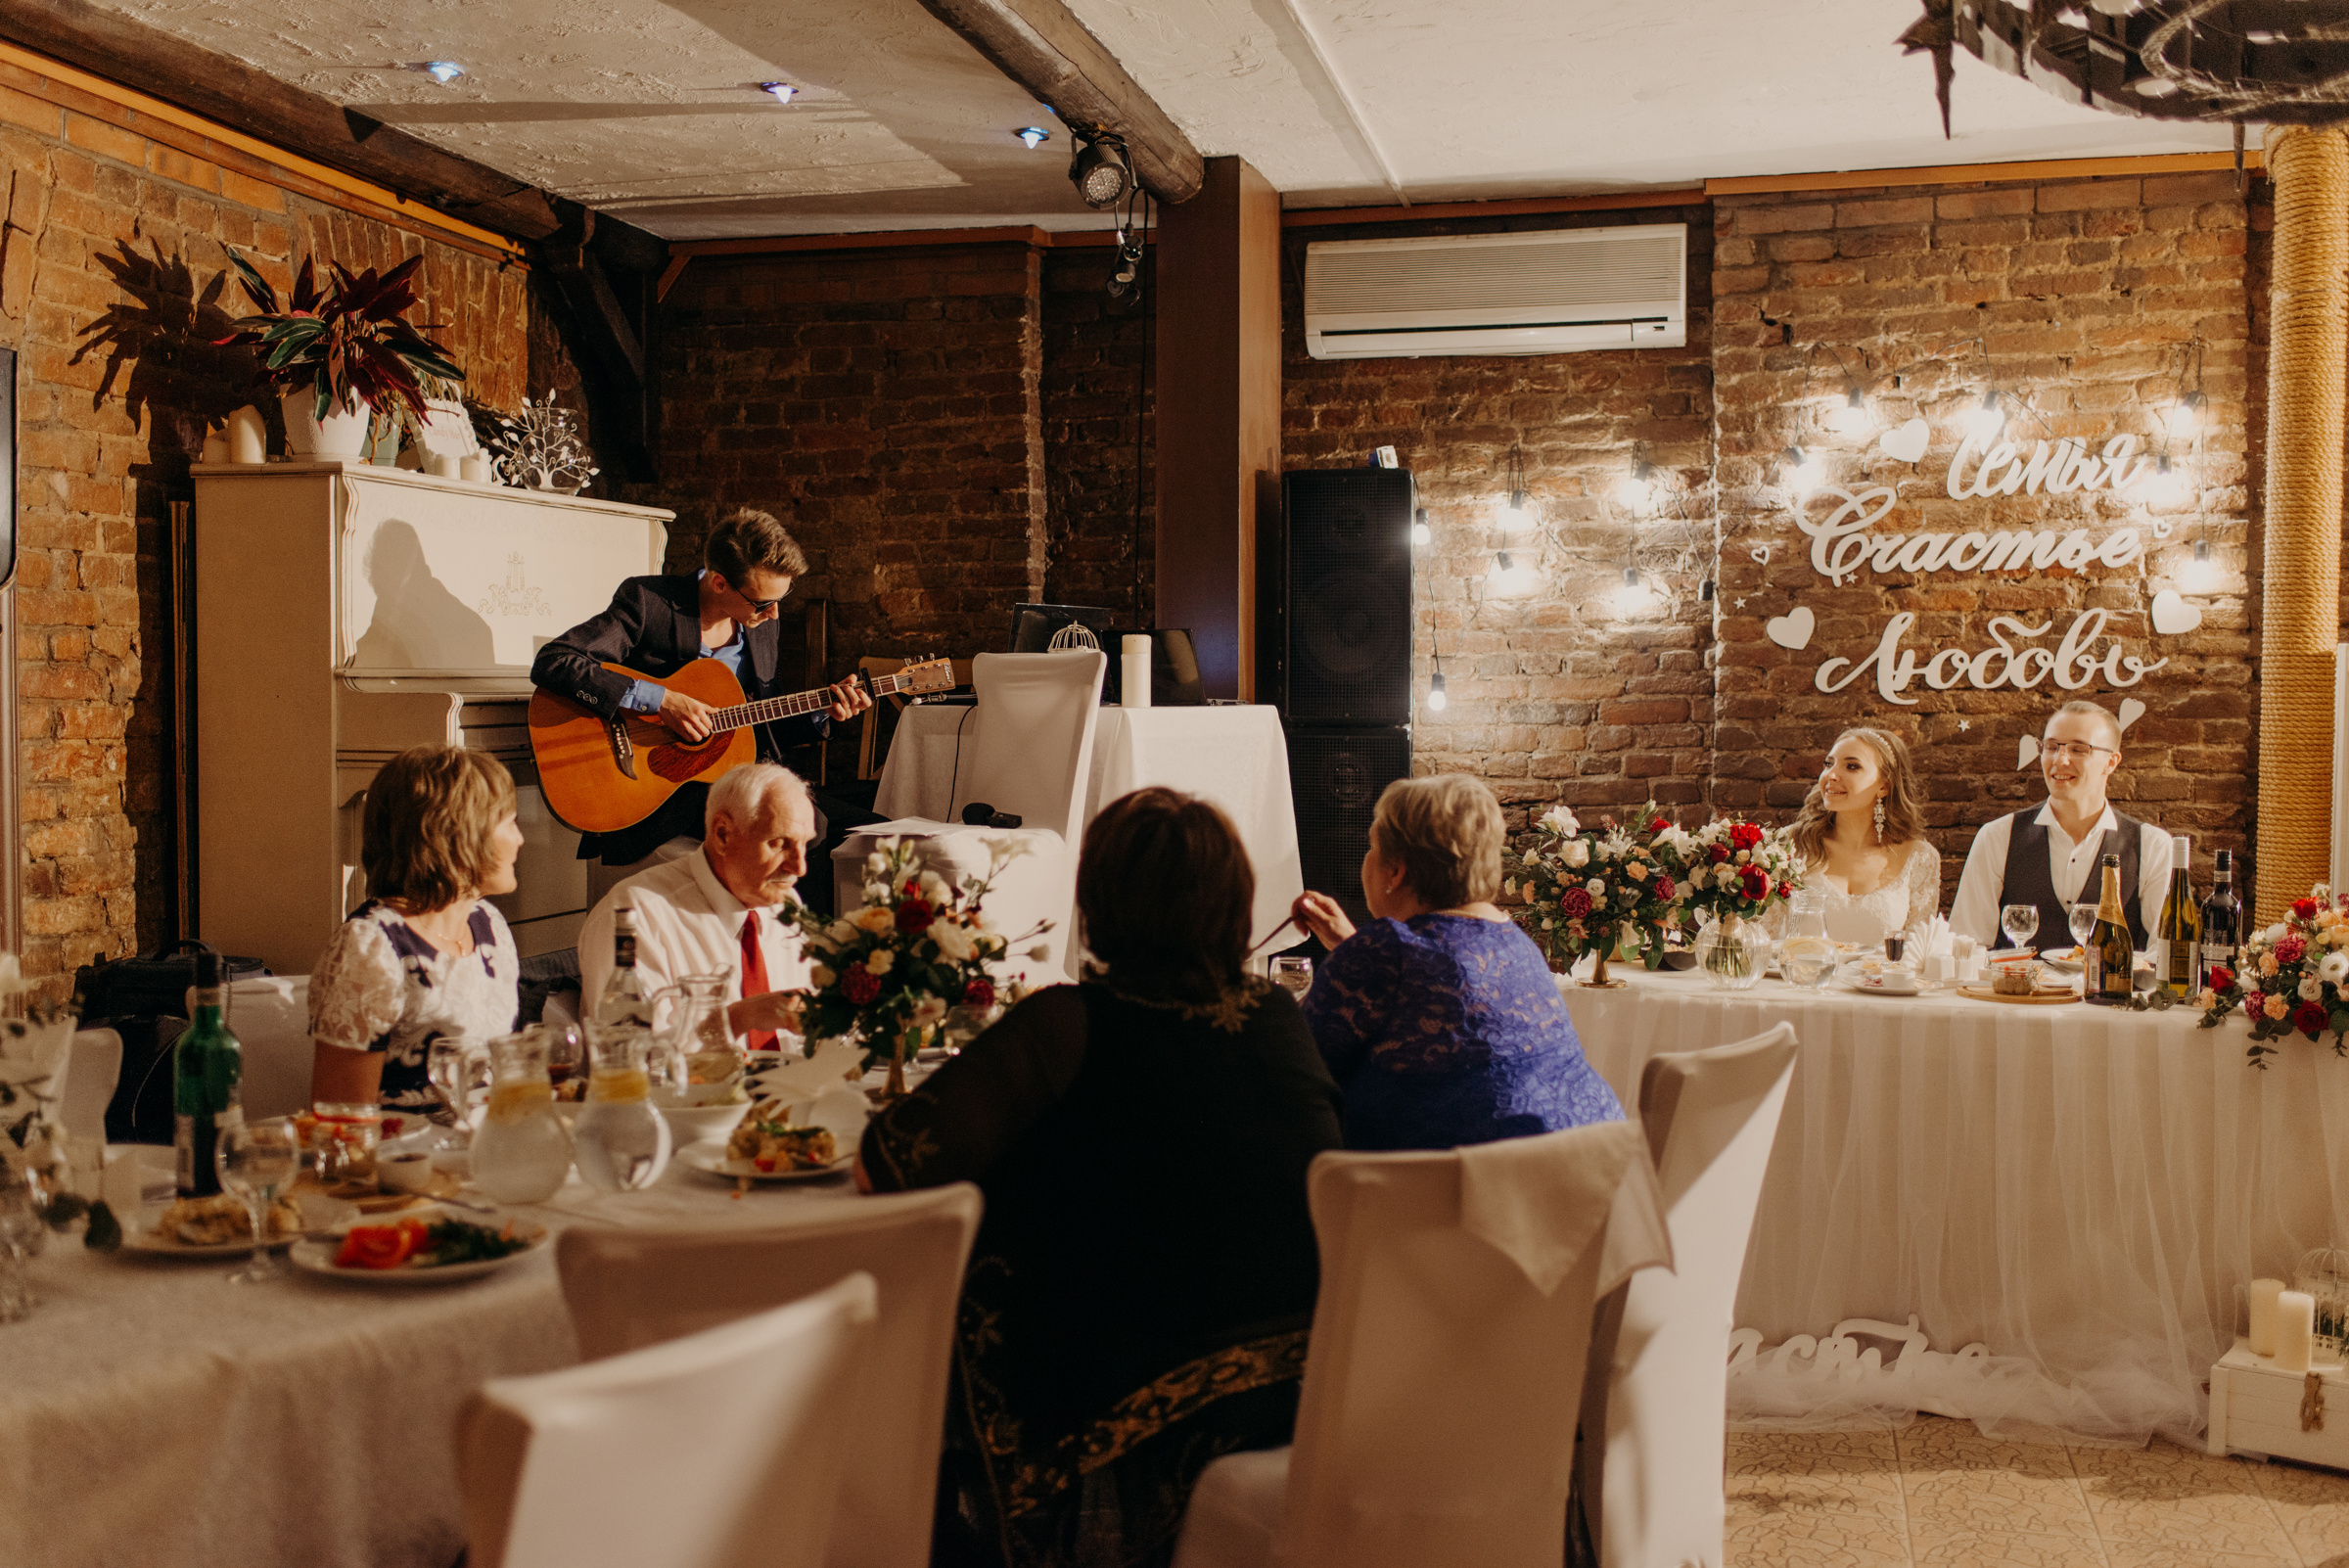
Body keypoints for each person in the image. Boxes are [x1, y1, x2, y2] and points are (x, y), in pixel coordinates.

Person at [858, 788, 1342, 1568]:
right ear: (1235, 904)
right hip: (1298, 1372)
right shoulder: (1275, 1013)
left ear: (1101, 903)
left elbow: (886, 1163)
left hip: (1132, 1386)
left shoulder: (1068, 1022)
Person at [530, 506, 874, 909]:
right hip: (652, 787)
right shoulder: (650, 602)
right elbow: (554, 661)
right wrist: (660, 700)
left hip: (730, 777)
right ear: (719, 582)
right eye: (763, 603)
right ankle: (796, 941)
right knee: (807, 829)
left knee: (874, 831)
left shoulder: (762, 624)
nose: (774, 613)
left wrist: (822, 712)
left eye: (781, 600)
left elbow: (759, 725)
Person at [1290, 773, 1623, 1152]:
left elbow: (1294, 1067)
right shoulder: (1515, 942)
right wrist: (1351, 947)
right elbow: (1437, 988)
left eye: (1373, 846)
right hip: (1588, 1166)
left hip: (1461, 1185)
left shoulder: (1385, 951)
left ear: (1395, 872)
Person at [308, 745, 524, 1110]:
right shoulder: (369, 946)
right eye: (509, 823)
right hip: (403, 1145)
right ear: (458, 835)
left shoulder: (489, 924)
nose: (520, 839)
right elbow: (341, 1116)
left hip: (490, 1136)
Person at [577, 762, 815, 1046]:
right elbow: (628, 1056)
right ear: (723, 834)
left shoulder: (785, 907)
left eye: (804, 844)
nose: (800, 868)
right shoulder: (635, 915)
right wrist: (738, 1019)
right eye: (779, 843)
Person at [1951, 699, 2174, 949]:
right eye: (2051, 747)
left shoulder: (2152, 846)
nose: (2060, 759)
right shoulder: (1996, 837)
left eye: (2078, 749)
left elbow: (2163, 952)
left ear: (2111, 762)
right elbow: (1967, 947)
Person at [1777, 727, 1941, 947]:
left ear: (1884, 786)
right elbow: (1764, 941)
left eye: (1852, 766)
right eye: (1829, 764)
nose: (1831, 775)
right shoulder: (1790, 845)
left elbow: (1917, 953)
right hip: (1799, 970)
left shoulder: (1921, 857)